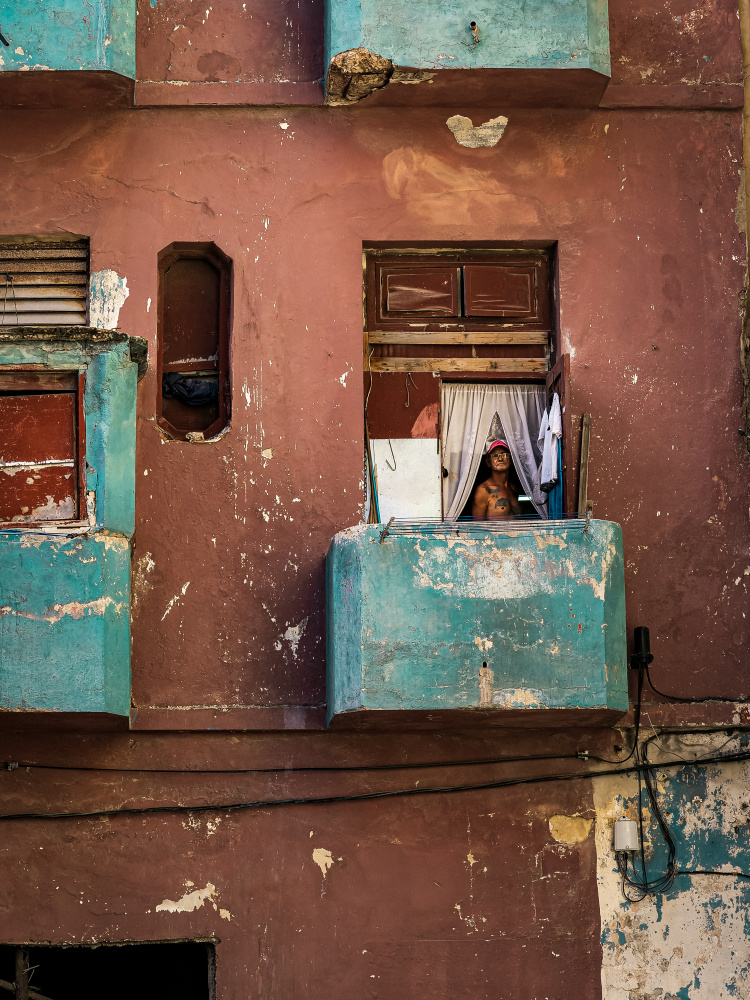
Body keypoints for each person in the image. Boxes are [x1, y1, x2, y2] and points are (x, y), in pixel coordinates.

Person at [471, 439, 522, 520]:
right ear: (488, 462)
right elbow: (478, 527)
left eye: (504, 454)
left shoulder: (512, 488)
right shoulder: (483, 490)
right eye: (495, 455)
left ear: (511, 460)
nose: (500, 459)